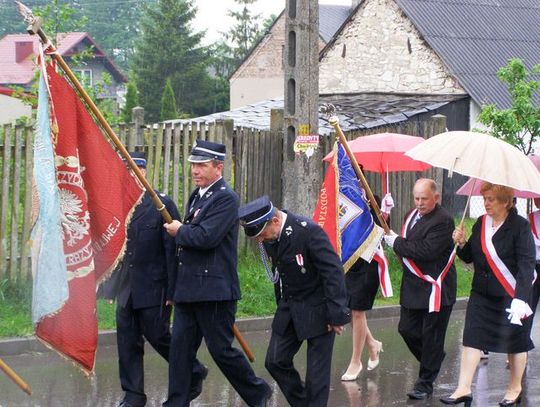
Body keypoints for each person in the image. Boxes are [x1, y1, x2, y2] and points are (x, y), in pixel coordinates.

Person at [162, 140, 272, 407]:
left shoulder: (225, 197)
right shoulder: (199, 195)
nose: (195, 171)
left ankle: (258, 393)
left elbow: (206, 237)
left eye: (202, 165)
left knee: (221, 350)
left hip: (214, 290)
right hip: (189, 290)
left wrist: (180, 231)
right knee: (180, 352)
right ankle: (176, 402)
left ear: (218, 167)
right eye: (193, 165)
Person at [101, 152, 207, 407]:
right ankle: (133, 396)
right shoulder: (117, 204)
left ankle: (193, 370)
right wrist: (109, 287)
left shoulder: (161, 204)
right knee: (127, 342)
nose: (130, 175)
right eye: (125, 170)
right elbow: (113, 249)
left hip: (154, 286)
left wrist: (173, 290)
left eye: (135, 169)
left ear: (144, 171)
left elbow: (172, 251)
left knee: (158, 335)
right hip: (127, 288)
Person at [238, 195, 351, 407]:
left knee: (316, 378)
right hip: (290, 306)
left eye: (261, 233)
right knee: (275, 361)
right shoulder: (270, 238)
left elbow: (333, 272)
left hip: (320, 308)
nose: (260, 239)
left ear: (275, 220)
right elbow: (280, 274)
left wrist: (337, 314)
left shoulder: (307, 232)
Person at [441, 183, 535, 406]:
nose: (486, 203)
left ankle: (514, 387)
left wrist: (521, 298)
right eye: (484, 198)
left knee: (515, 342)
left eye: (491, 199)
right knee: (472, 338)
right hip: (482, 293)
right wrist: (461, 242)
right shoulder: (482, 223)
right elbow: (470, 256)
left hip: (512, 295)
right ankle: (463, 388)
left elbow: (526, 264)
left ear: (506, 201)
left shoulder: (520, 226)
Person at [383, 178, 456, 400]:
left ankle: (424, 384)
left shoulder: (444, 221)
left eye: (424, 198)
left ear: (436, 197)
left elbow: (426, 250)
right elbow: (407, 245)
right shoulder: (410, 215)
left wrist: (396, 243)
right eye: (416, 198)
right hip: (413, 285)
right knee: (406, 329)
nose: (419, 203)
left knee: (432, 336)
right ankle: (433, 359)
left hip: (436, 287)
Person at [341, 195, 386, 381]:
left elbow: (380, 229)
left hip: (367, 261)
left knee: (358, 311)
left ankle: (355, 361)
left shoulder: (370, 198)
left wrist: (382, 211)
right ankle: (373, 344)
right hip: (347, 262)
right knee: (351, 311)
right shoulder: (338, 197)